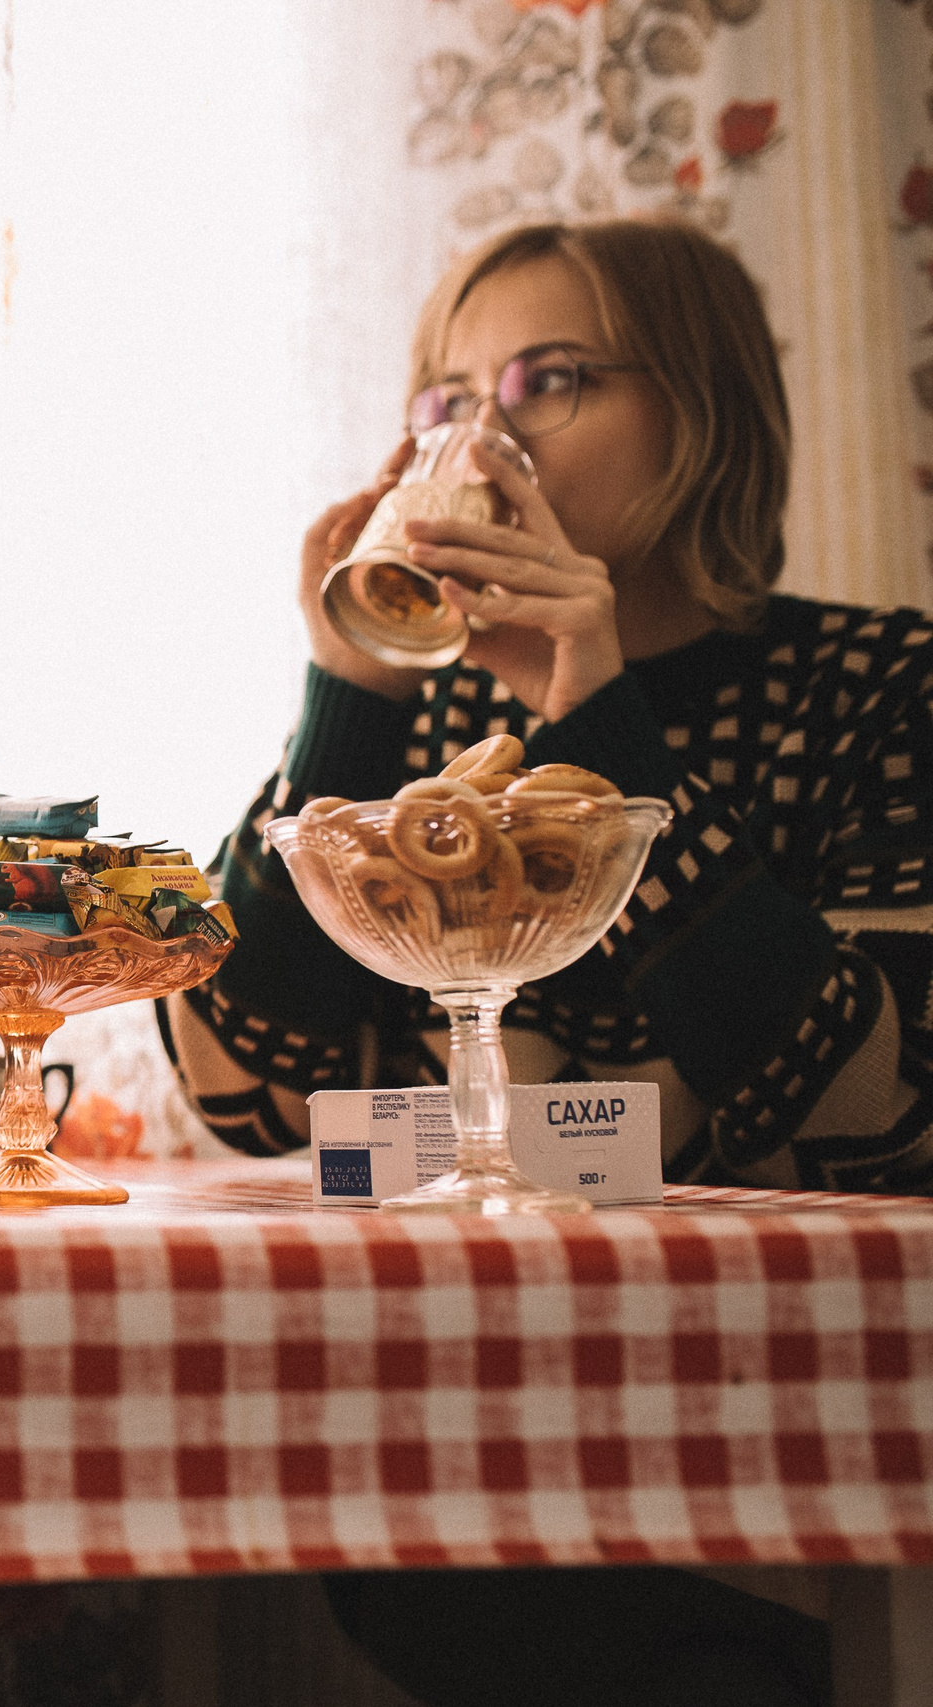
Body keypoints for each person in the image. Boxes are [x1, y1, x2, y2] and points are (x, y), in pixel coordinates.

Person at [164, 218, 920, 1704]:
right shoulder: (419, 733)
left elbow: (887, 1122)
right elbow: (248, 1092)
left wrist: (600, 722)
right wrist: (349, 698)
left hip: (795, 1460)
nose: (479, 437)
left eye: (547, 378)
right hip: (439, 1459)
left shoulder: (880, 683)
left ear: (701, 415)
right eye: (445, 400)